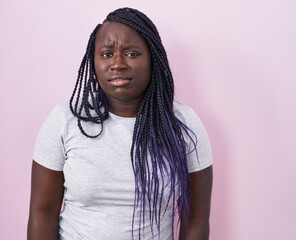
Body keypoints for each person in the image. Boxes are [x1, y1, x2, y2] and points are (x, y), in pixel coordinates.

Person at [27, 7, 213, 240]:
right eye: (106, 54)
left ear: (153, 58)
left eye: (132, 54)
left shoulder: (183, 124)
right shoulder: (66, 119)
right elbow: (42, 211)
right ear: (93, 60)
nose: (117, 64)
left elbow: (196, 218)